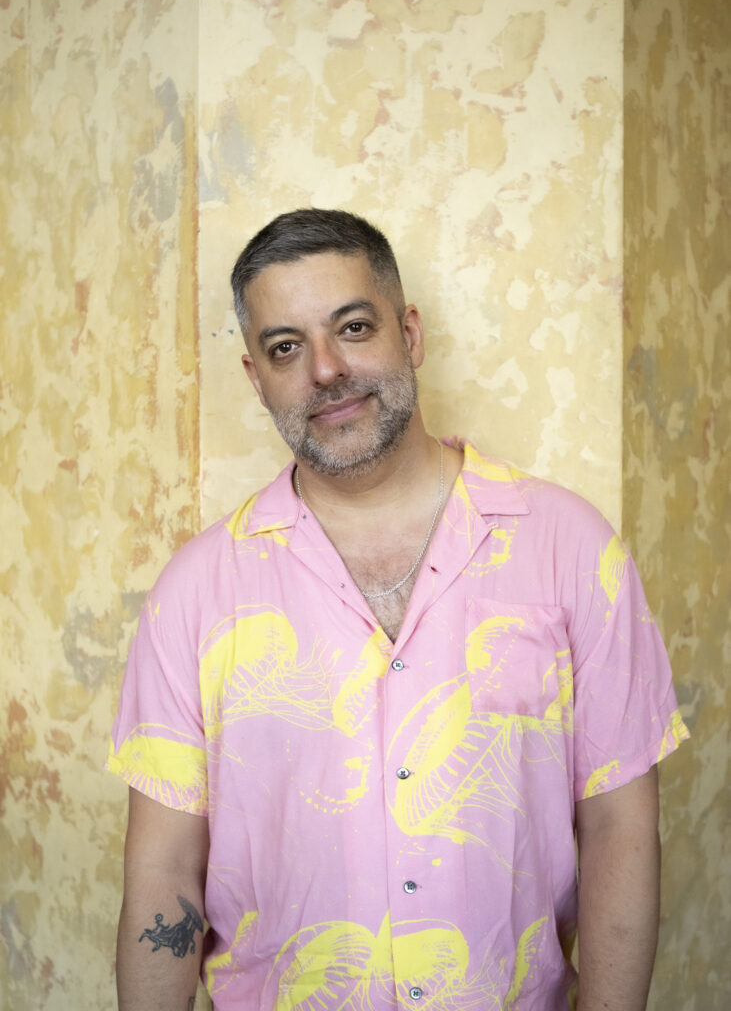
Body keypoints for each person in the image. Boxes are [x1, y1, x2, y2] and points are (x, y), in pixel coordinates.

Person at [109, 208, 689, 1011]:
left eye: (352, 327)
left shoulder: (571, 550)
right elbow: (164, 872)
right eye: (285, 347)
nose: (324, 370)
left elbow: (619, 828)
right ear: (255, 377)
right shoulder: (194, 592)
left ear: (407, 333)